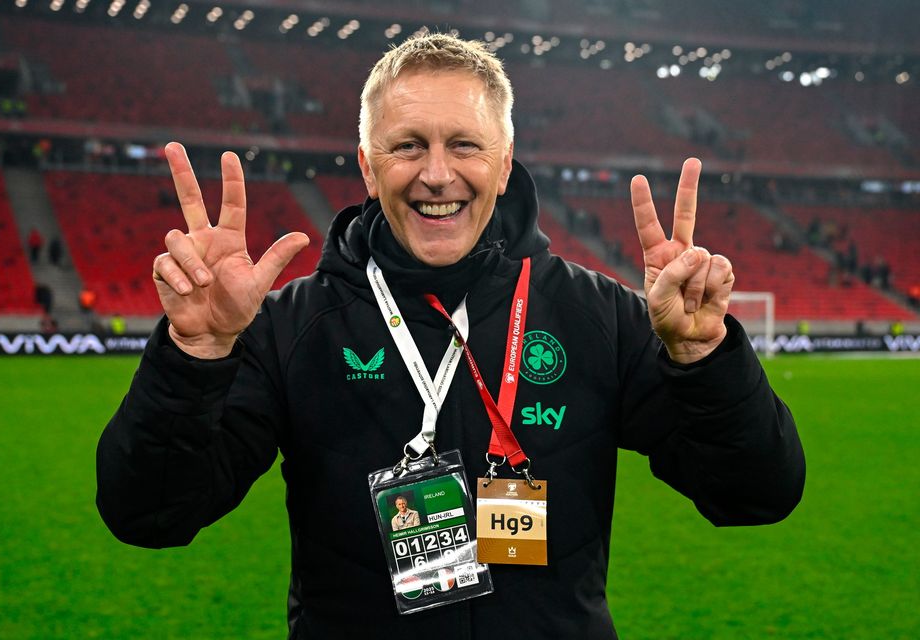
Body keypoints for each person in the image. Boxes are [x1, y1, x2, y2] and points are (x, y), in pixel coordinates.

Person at [96, 33, 804, 639]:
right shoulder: (295, 327)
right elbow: (149, 513)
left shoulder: (599, 318)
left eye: (464, 144)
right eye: (408, 146)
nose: (437, 175)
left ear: (504, 160)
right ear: (368, 167)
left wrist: (703, 357)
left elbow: (757, 494)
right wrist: (196, 354)